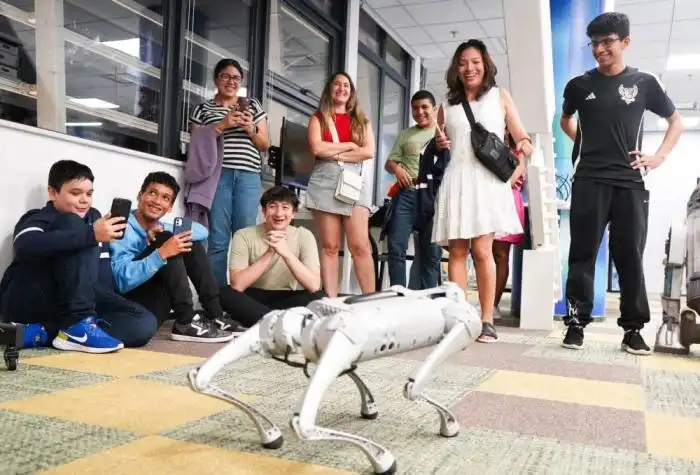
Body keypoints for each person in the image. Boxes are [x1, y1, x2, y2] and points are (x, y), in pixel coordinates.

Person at [560, 12, 683, 355]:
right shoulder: (579, 85)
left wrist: (657, 157)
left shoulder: (645, 83)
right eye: (594, 43)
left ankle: (633, 330)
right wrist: (583, 145)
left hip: (630, 181)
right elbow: (565, 119)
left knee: (629, 256)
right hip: (588, 180)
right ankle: (575, 323)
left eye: (607, 42)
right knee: (582, 255)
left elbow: (676, 121)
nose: (599, 49)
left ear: (625, 42)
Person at [0, 160, 157, 353]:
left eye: (89, 194)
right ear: (52, 193)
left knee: (144, 322)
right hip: (35, 296)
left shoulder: (94, 219)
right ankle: (75, 327)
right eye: (76, 193)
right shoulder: (38, 217)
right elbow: (25, 245)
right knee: (72, 223)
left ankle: (45, 333)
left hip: (76, 302)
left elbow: (102, 275)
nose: (85, 200)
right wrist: (90, 235)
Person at [434, 39, 531, 343]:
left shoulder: (500, 97)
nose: (469, 67)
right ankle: (461, 318)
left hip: (488, 182)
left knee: (482, 250)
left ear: (485, 64)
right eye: (463, 62)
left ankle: (486, 318)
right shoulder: (446, 104)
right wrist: (438, 144)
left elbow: (522, 138)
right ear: (456, 68)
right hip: (458, 181)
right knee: (458, 252)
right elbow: (438, 141)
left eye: (475, 61)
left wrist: (521, 162)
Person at [110, 172, 240, 343]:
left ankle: (214, 313)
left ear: (169, 207)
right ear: (140, 196)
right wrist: (159, 250)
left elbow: (202, 232)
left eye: (165, 198)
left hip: (157, 303)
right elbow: (120, 281)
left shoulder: (161, 228)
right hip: (130, 306)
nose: (157, 201)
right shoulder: (121, 226)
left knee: (184, 240)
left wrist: (161, 231)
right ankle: (185, 320)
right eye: (152, 193)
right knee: (167, 240)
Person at [189, 58, 269, 287]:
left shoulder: (252, 105)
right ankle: (216, 298)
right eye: (225, 76)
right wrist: (222, 124)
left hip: (248, 176)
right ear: (216, 79)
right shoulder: (202, 108)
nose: (231, 81)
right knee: (218, 238)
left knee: (245, 237)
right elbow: (195, 141)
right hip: (217, 176)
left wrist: (250, 128)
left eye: (235, 77)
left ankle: (240, 294)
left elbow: (265, 144)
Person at [305, 72, 376, 297]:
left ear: (351, 92)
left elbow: (367, 151)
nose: (342, 88)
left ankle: (370, 299)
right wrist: (349, 145)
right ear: (329, 89)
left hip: (354, 182)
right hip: (324, 182)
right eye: (337, 84)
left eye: (346, 85)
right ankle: (332, 300)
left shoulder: (362, 121)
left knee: (361, 246)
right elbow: (316, 148)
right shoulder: (318, 118)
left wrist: (335, 153)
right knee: (330, 247)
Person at [225, 186, 325, 327]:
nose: (279, 213)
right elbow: (238, 285)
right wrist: (270, 252)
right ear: (264, 211)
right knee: (225, 293)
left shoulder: (304, 235)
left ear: (293, 213)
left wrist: (285, 253)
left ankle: (264, 321)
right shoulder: (244, 235)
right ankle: (279, 322)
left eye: (285, 208)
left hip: (286, 297)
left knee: (320, 298)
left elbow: (314, 285)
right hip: (253, 296)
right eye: (273, 207)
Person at [384, 90, 443, 289]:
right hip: (407, 195)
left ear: (434, 109)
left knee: (431, 253)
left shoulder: (443, 133)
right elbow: (389, 162)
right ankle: (397, 295)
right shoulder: (406, 134)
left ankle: (428, 299)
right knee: (396, 247)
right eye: (415, 108)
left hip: (433, 198)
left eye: (425, 107)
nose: (420, 112)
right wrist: (397, 169)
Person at [493, 133, 527, 317]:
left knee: (500, 255)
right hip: (489, 201)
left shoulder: (520, 150)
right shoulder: (489, 141)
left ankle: (493, 304)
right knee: (483, 253)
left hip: (507, 203)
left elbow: (512, 179)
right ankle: (485, 301)